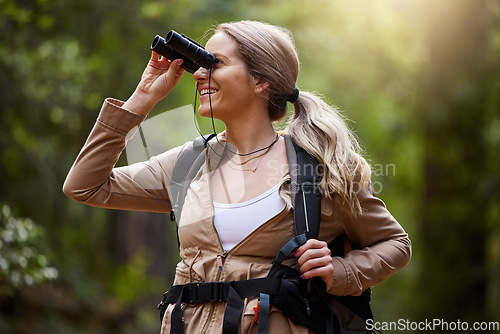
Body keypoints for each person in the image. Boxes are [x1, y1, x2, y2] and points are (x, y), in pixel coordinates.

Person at [63, 20, 411, 334]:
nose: (198, 74)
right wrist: (141, 99)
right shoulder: (188, 163)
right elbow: (85, 185)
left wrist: (339, 273)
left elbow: (396, 245)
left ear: (261, 81)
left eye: (214, 64)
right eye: (199, 64)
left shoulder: (324, 168)